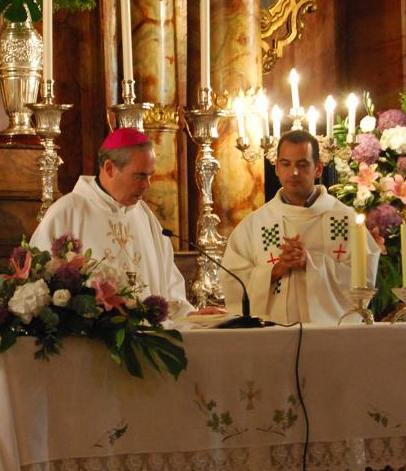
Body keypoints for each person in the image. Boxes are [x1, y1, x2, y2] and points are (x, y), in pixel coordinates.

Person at [31, 128, 218, 320]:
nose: (147, 185)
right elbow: (41, 286)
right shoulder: (67, 212)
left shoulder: (145, 215)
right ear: (109, 168)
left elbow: (169, 284)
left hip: (153, 334)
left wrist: (190, 314)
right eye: (139, 176)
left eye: (150, 176)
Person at [221, 129, 380, 325]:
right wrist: (275, 270)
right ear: (276, 168)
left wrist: (310, 263)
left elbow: (364, 282)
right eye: (285, 164)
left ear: (318, 169)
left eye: (302, 165)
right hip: (271, 333)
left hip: (332, 332)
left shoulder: (346, 221)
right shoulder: (255, 224)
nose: (293, 172)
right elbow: (231, 282)